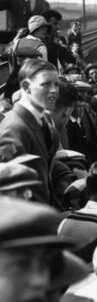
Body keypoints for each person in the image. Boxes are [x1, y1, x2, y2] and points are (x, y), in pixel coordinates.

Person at [0, 59, 60, 204]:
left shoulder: (43, 122)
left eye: (56, 84)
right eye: (46, 84)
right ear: (26, 87)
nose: (54, 90)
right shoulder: (14, 128)